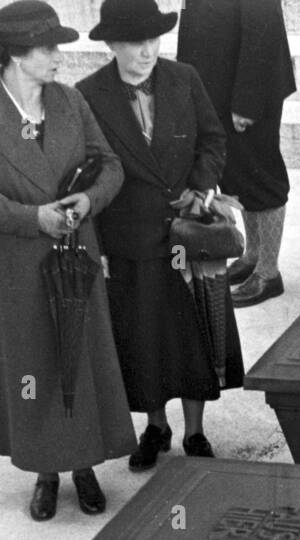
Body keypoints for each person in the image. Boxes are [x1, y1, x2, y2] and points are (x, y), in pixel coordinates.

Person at [0, 1, 137, 521]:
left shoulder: (70, 102)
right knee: (33, 362)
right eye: (48, 48)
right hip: (14, 263)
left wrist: (88, 201)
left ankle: (85, 467)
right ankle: (46, 472)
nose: (59, 57)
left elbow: (111, 166)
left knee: (81, 352)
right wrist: (35, 218)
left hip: (76, 255)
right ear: (14, 54)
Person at [78, 0, 245, 470]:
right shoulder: (88, 95)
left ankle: (195, 431)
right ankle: (156, 427)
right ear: (111, 44)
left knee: (196, 335)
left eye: (153, 39)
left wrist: (200, 184)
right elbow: (87, 172)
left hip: (187, 236)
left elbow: (213, 141)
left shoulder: (184, 78)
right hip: (130, 239)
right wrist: (98, 244)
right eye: (135, 42)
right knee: (145, 336)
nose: (147, 51)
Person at [177, 0, 296, 307]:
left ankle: (269, 273)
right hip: (219, 84)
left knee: (261, 173)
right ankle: (253, 256)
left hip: (247, 89)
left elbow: (263, 31)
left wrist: (248, 101)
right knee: (239, 173)